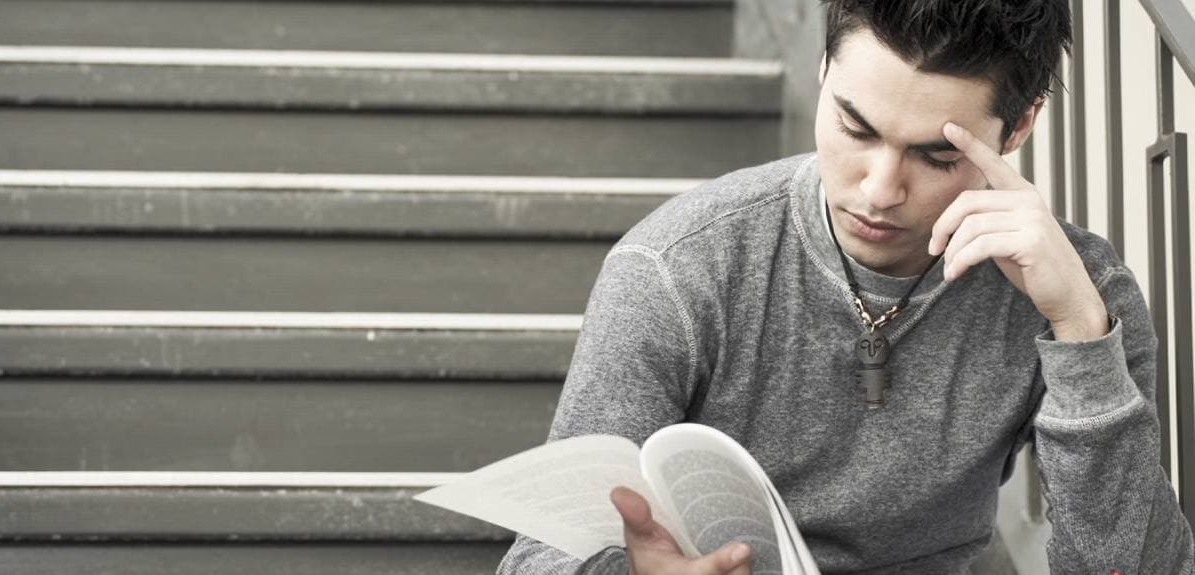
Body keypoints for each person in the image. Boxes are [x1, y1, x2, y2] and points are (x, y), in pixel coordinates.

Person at [498, 0, 1195, 573]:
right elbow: (538, 556)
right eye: (855, 127)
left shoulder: (1078, 292)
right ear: (824, 69)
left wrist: (1077, 326)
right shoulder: (679, 267)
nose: (880, 189)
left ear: (1019, 127)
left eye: (938, 154)